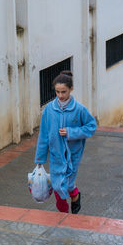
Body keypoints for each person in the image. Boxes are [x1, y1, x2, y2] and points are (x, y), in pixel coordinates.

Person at [34, 71, 96, 214]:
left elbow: (91, 127)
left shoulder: (79, 109)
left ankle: (75, 195)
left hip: (73, 156)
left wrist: (71, 132)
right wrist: (40, 159)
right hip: (55, 155)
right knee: (57, 186)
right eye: (57, 92)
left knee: (66, 184)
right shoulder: (49, 110)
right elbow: (43, 135)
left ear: (71, 88)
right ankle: (64, 215)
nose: (60, 95)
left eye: (64, 92)